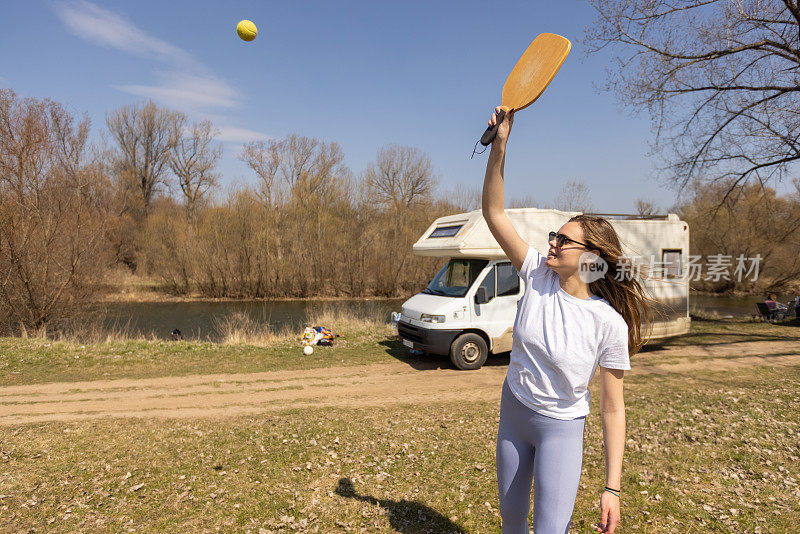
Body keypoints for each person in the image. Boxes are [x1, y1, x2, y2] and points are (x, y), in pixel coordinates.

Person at [482, 106, 655, 534]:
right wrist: (500, 147)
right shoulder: (537, 271)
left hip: (561, 428)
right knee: (511, 525)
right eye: (553, 236)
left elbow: (614, 407)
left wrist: (612, 488)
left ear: (591, 256)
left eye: (563, 239)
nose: (552, 243)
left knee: (550, 531)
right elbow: (494, 213)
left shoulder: (607, 323)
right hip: (514, 411)